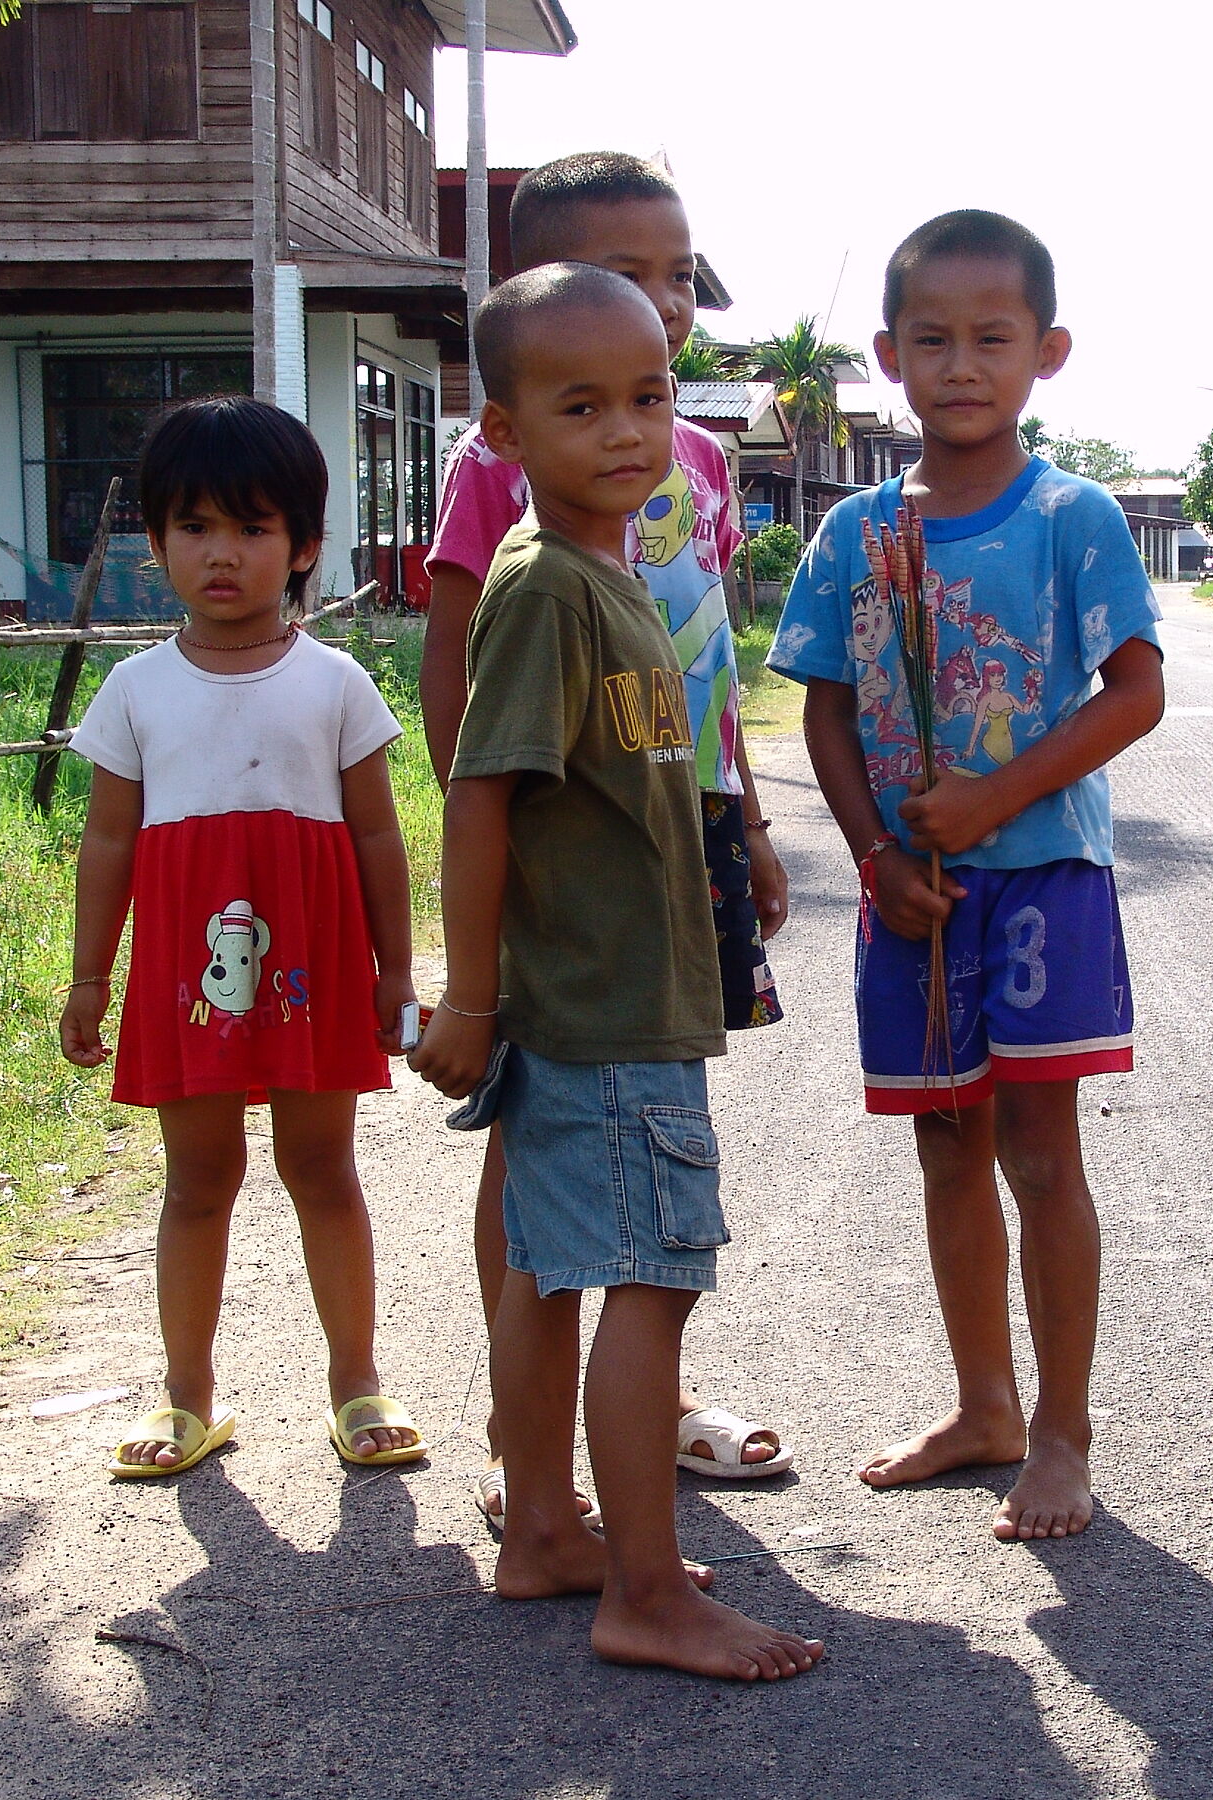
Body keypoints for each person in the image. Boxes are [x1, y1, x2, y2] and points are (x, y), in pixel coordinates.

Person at [410, 263, 823, 1680]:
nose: (627, 432)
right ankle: (645, 1589)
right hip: (596, 1014)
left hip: (613, 994)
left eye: (646, 396)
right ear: (504, 433)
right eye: (579, 405)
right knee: (653, 1276)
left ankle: (542, 1531)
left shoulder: (618, 573)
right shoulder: (543, 591)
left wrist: (738, 845)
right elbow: (481, 793)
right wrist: (469, 998)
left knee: (550, 1266)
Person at [768, 210, 1165, 1541]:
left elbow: (1137, 693)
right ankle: (983, 1403)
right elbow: (823, 707)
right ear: (888, 355)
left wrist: (994, 795)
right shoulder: (852, 536)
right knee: (949, 1144)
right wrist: (876, 855)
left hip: (1043, 872)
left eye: (992, 338)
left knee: (1041, 1158)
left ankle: (1063, 1431)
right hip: (914, 895)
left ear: (1046, 352)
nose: (961, 365)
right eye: (931, 339)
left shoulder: (1074, 517)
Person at [60, 395, 426, 1477]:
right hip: (186, 973)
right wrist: (90, 976)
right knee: (196, 1180)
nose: (222, 554)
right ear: (158, 541)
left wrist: (396, 971)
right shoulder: (135, 690)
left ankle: (357, 1385)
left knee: (325, 1170)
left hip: (313, 965)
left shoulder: (336, 682)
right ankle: (187, 1398)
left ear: (305, 546)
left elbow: (376, 835)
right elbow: (109, 848)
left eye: (253, 529)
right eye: (195, 528)